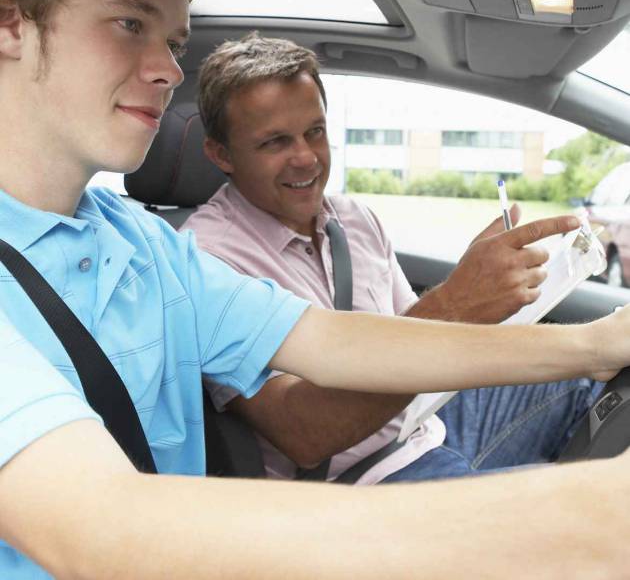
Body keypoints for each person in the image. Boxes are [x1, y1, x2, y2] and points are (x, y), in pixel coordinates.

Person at [1, 0, 630, 578]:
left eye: (174, 42)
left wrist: (592, 344)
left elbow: (334, 340)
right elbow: (101, 531)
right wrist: (591, 515)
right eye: (130, 23)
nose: (166, 70)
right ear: (12, 21)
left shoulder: (141, 242)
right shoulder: (192, 241)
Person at [183, 32, 603, 484]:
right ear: (220, 154)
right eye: (275, 142)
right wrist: (457, 303)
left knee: (599, 385)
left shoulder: (354, 219)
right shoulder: (205, 259)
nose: (305, 158)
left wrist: (490, 299)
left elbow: (415, 337)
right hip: (357, 485)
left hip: (423, 425)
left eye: (315, 132)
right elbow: (305, 435)